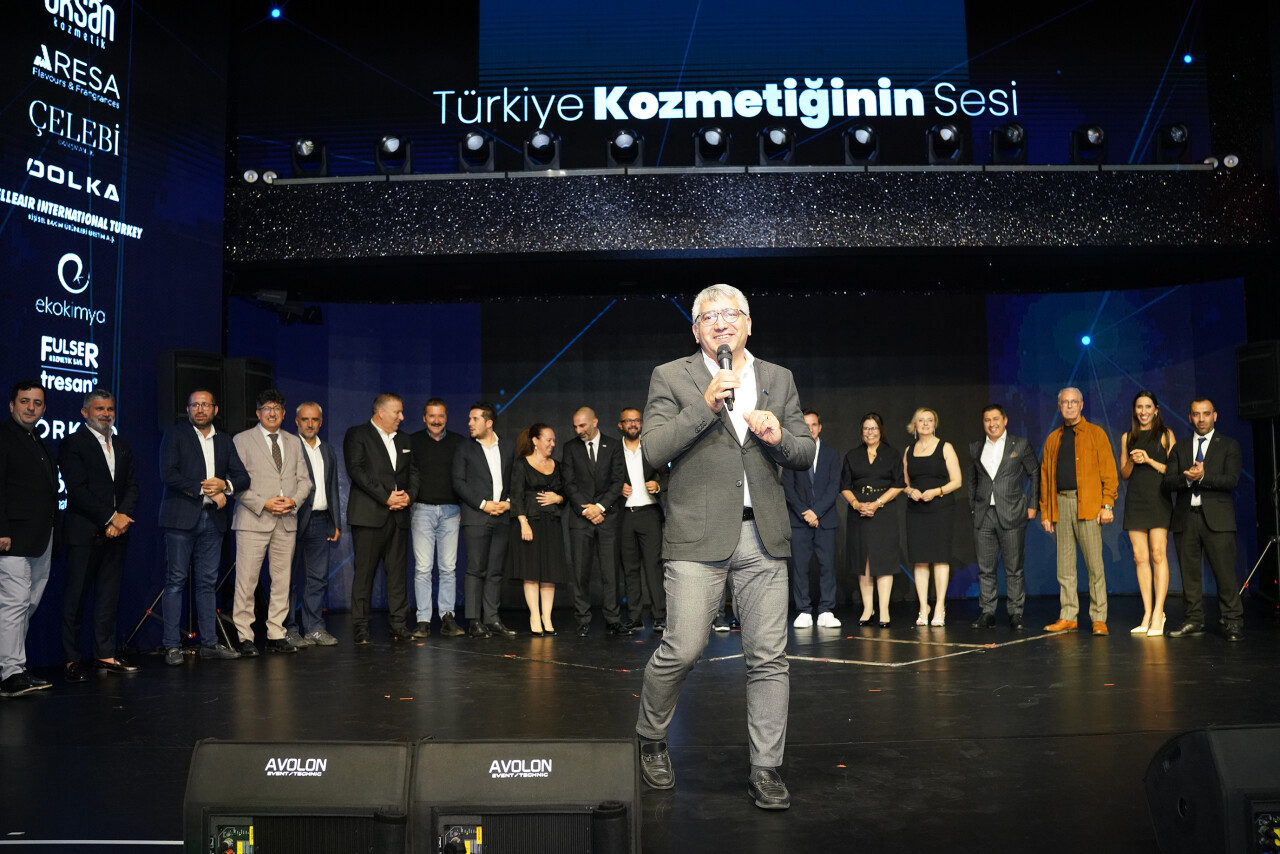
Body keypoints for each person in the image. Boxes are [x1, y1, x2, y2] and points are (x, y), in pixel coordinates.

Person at [635, 283, 815, 811]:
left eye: (731, 313)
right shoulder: (671, 376)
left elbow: (804, 451)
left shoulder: (778, 378)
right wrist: (705, 404)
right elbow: (653, 449)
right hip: (696, 535)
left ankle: (766, 768)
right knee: (683, 647)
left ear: (748, 323)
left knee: (769, 658)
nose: (721, 322)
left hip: (764, 534)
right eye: (709, 316)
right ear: (696, 330)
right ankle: (651, 736)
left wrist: (779, 436)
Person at [158, 389, 250, 665]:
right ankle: (172, 646)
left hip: (213, 521)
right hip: (180, 519)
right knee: (175, 582)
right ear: (188, 409)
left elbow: (242, 477)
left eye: (205, 405)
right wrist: (206, 491)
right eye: (194, 405)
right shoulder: (175, 434)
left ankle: (209, 643)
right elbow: (168, 474)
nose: (200, 409)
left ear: (215, 409)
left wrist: (226, 486)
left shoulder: (225, 440)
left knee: (208, 584)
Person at [59, 390, 140, 682]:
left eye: (110, 409)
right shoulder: (73, 443)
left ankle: (104, 655)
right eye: (99, 409)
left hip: (117, 534)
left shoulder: (122, 444)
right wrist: (110, 517)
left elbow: (132, 486)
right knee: (75, 599)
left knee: (108, 597)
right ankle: (71, 660)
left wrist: (121, 520)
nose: (106, 414)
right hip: (84, 532)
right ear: (85, 413)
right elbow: (77, 490)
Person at [231, 389, 311, 656]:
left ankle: (276, 633)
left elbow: (305, 481)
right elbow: (235, 484)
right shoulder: (242, 440)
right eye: (267, 408)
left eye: (277, 408)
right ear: (258, 413)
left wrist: (293, 501)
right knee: (247, 582)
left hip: (286, 520)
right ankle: (245, 636)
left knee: (282, 581)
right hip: (253, 520)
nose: (272, 413)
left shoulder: (294, 441)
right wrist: (263, 502)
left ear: (284, 413)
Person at [1039, 387, 1118, 636]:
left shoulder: (1095, 433)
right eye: (1065, 402)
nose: (1070, 406)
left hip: (1089, 505)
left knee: (1095, 566)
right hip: (1061, 504)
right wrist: (1045, 512)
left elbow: (1109, 472)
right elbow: (1045, 478)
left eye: (1074, 402)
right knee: (1064, 567)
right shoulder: (1053, 439)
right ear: (1059, 406)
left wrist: (1107, 505)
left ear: (1082, 405)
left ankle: (1099, 618)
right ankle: (1068, 616)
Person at [1164, 398, 1244, 642]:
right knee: (1189, 575)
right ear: (1190, 417)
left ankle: (1232, 621)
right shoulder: (1180, 448)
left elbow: (1231, 480)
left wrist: (1203, 477)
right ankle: (1194, 620)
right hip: (1186, 518)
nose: (1201, 419)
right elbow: (1168, 481)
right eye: (1196, 414)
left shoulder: (1228, 445)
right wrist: (1187, 479)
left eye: (1206, 414)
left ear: (1214, 416)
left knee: (1225, 574)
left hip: (1218, 520)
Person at [344, 393, 418, 645]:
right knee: (364, 574)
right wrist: (386, 497)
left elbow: (414, 472)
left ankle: (399, 624)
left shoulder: (405, 439)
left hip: (399, 517)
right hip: (369, 516)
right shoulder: (357, 434)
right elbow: (357, 471)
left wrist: (409, 496)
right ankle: (361, 626)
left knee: (397, 574)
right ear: (381, 412)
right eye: (398, 412)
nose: (402, 417)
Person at [0, 381, 57, 696]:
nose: (31, 407)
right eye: (24, 401)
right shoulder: (4, 437)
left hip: (41, 537)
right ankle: (11, 674)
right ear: (12, 405)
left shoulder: (38, 441)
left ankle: (13, 669)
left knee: (27, 604)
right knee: (15, 604)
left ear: (44, 409)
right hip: (13, 538)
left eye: (37, 403)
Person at [967, 404, 1039, 629]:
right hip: (984, 515)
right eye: (987, 420)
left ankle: (1015, 613)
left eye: (996, 419)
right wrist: (973, 507)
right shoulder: (976, 447)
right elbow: (972, 480)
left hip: (1012, 513)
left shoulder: (1020, 444)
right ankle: (987, 612)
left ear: (1005, 420)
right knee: (985, 568)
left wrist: (1033, 504)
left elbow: (1034, 472)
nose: (992, 424)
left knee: (1014, 568)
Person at [562, 406, 631, 637]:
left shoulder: (613, 446)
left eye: (582, 425)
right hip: (581, 519)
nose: (578, 430)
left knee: (610, 572)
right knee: (580, 572)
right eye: (575, 426)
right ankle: (582, 619)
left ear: (595, 422)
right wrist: (587, 510)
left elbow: (617, 481)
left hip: (607, 517)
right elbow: (569, 484)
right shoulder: (570, 448)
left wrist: (600, 507)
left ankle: (613, 619)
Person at [452, 401, 516, 638]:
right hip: (477, 516)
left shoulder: (508, 447)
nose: (470, 423)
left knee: (495, 570)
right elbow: (458, 482)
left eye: (475, 419)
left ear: (489, 423)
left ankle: (492, 619)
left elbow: (515, 479)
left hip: (502, 515)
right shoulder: (464, 448)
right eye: (469, 419)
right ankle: (474, 621)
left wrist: (508, 502)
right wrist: (482, 503)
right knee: (476, 569)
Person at [1119, 391, 1176, 637]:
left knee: (1157, 553)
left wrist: (1149, 460)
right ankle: (1147, 612)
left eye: (1148, 407)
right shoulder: (1127, 437)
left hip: (1158, 499)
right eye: (1139, 407)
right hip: (1136, 500)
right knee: (1139, 557)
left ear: (1156, 410)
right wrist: (1133, 460)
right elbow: (1124, 473)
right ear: (1135, 410)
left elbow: (1173, 470)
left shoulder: (1165, 434)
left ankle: (1158, 613)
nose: (1143, 411)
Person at [840, 413, 904, 627]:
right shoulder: (852, 455)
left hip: (883, 511)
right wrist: (857, 504)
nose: (870, 432)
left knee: (883, 561)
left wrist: (877, 503)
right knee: (864, 561)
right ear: (861, 432)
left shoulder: (892, 454)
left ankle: (884, 610)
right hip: (858, 512)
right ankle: (868, 608)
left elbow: (898, 484)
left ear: (881, 431)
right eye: (866, 428)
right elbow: (844, 486)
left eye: (874, 428)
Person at [409, 398, 465, 639]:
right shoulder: (412, 441)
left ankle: (447, 617)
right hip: (422, 510)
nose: (436, 420)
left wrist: (462, 507)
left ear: (446, 418)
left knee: (448, 569)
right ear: (424, 418)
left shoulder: (459, 442)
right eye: (431, 416)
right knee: (423, 569)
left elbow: (464, 478)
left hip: (451, 512)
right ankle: (423, 620)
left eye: (440, 416)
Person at [903, 408, 962, 628]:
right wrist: (910, 491)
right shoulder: (909, 450)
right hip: (916, 510)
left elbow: (957, 481)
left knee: (939, 558)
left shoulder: (945, 447)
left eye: (930, 420)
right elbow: (904, 483)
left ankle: (939, 607)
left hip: (940, 508)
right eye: (921, 420)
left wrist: (937, 491)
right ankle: (923, 607)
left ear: (935, 424)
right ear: (914, 425)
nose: (926, 423)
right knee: (920, 559)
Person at [782, 410, 842, 628]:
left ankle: (826, 610)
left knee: (827, 566)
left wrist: (816, 512)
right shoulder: (792, 454)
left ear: (820, 427)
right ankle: (804, 611)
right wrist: (805, 513)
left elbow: (834, 487)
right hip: (799, 521)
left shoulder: (832, 454)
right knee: (800, 567)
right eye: (806, 425)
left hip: (825, 520)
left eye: (814, 425)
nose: (810, 429)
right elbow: (788, 488)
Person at [508, 423, 568, 635]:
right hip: (530, 523)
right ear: (535, 440)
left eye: (553, 440)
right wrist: (523, 522)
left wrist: (558, 498)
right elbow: (516, 495)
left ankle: (547, 617)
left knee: (550, 572)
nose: (552, 444)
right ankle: (534, 616)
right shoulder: (521, 464)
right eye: (548, 440)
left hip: (551, 523)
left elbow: (567, 493)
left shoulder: (557, 466)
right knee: (531, 572)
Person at [291, 401, 342, 646]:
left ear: (321, 423)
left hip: (321, 521)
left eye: (314, 420)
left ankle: (314, 629)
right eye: (305, 419)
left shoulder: (327, 450)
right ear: (296, 422)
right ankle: (289, 630)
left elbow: (332, 488)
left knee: (318, 578)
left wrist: (335, 522)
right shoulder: (290, 447)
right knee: (287, 579)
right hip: (292, 521)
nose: (310, 424)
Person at [618, 407, 666, 632]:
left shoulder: (651, 447)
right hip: (625, 515)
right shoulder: (614, 450)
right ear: (620, 425)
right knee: (630, 568)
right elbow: (606, 479)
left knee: (653, 566)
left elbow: (668, 475)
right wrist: (617, 488)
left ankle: (660, 616)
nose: (633, 424)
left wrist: (659, 485)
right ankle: (635, 617)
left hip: (650, 513)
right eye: (628, 421)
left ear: (642, 424)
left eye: (636, 420)